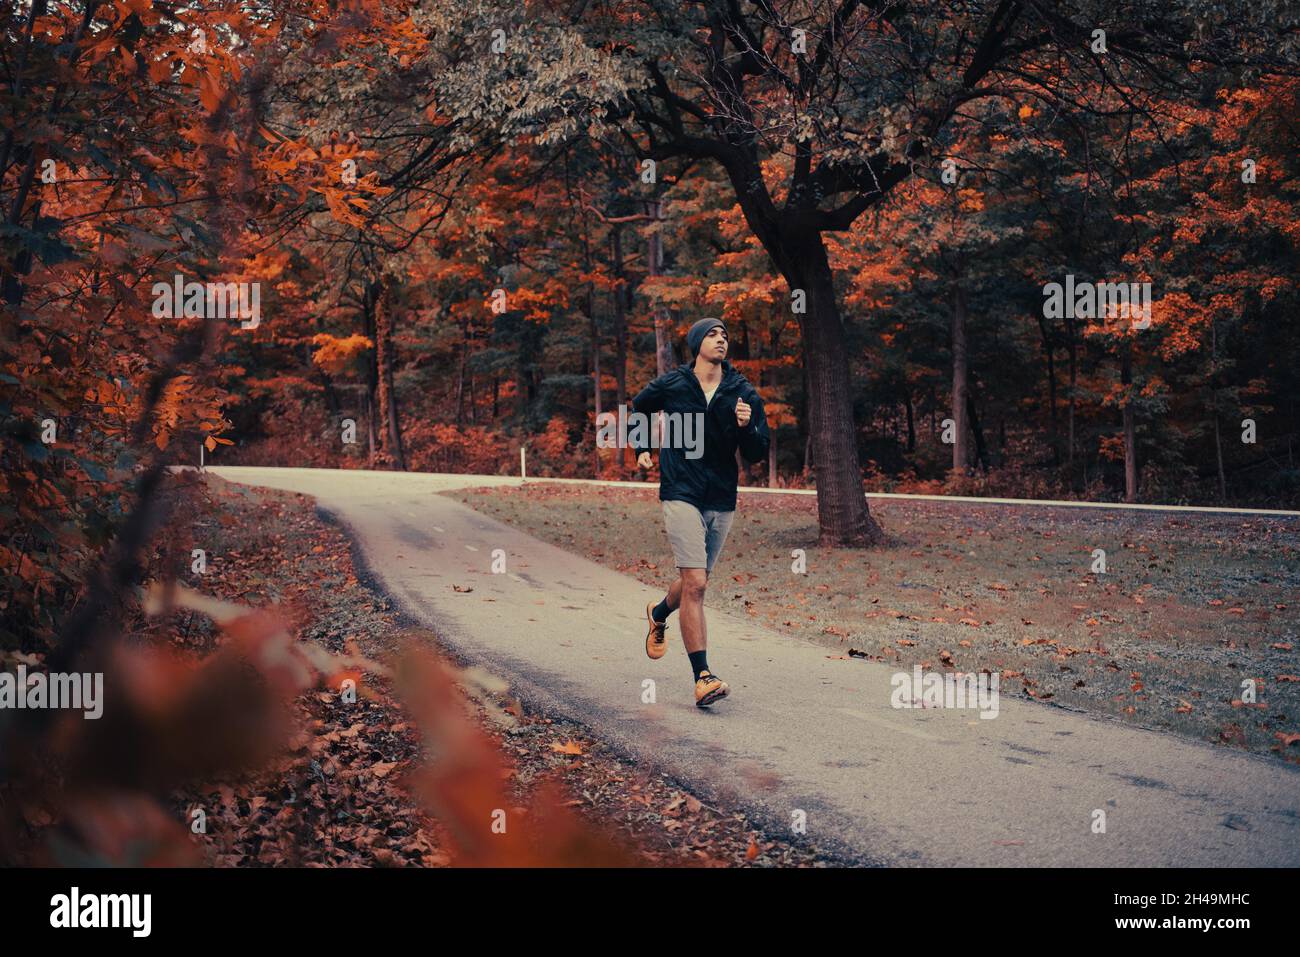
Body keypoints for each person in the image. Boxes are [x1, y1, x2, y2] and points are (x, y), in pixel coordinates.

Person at [631, 317, 770, 708]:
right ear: (696, 343)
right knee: (696, 583)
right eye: (712, 334)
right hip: (680, 488)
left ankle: (658, 613)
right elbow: (640, 406)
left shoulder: (742, 391)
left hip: (722, 495)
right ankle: (703, 677)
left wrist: (746, 427)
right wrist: (641, 446)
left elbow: (759, 451)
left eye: (725, 335)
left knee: (697, 580)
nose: (721, 339)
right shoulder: (674, 383)